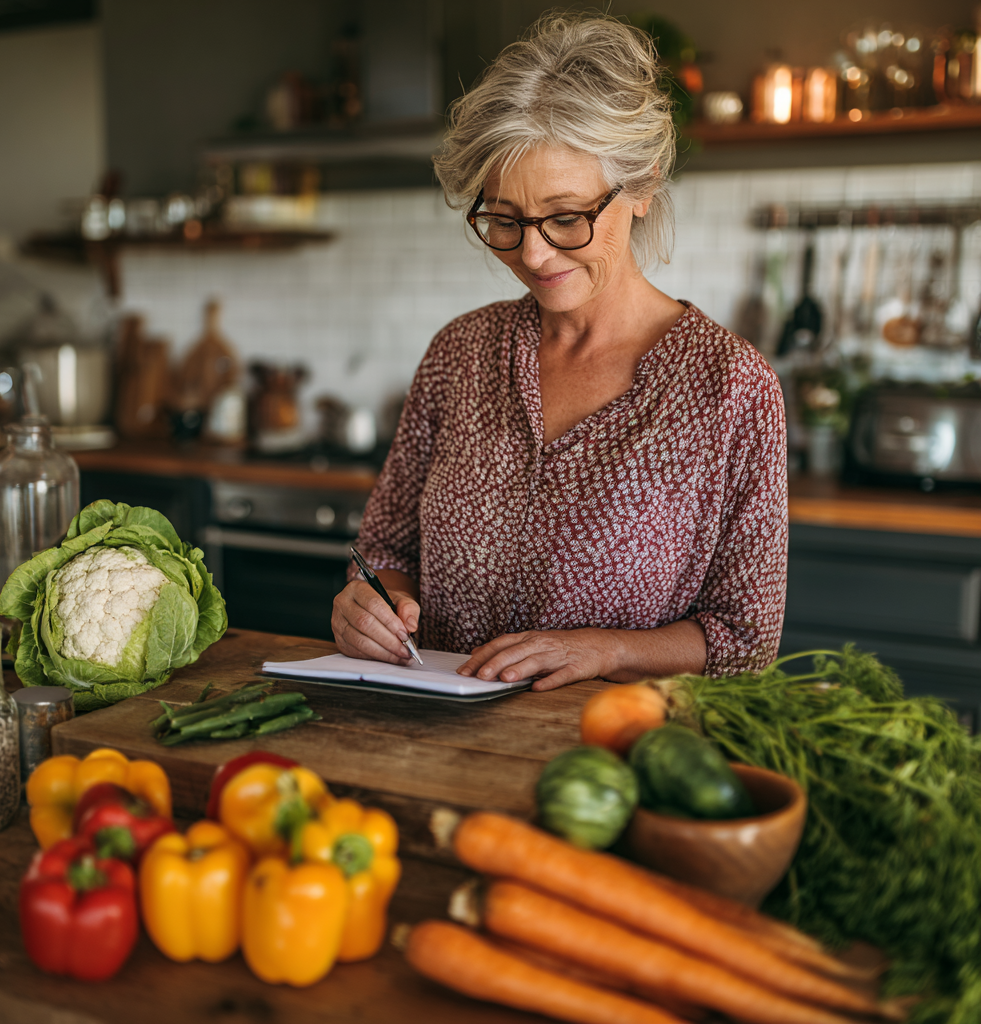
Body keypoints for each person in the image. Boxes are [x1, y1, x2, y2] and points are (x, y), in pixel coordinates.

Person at [332, 13, 787, 691]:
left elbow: (743, 638)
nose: (534, 254)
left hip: (612, 763)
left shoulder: (729, 385)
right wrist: (368, 606)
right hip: (434, 748)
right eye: (504, 220)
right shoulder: (460, 354)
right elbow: (388, 550)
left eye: (566, 217)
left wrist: (603, 651)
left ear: (641, 186)